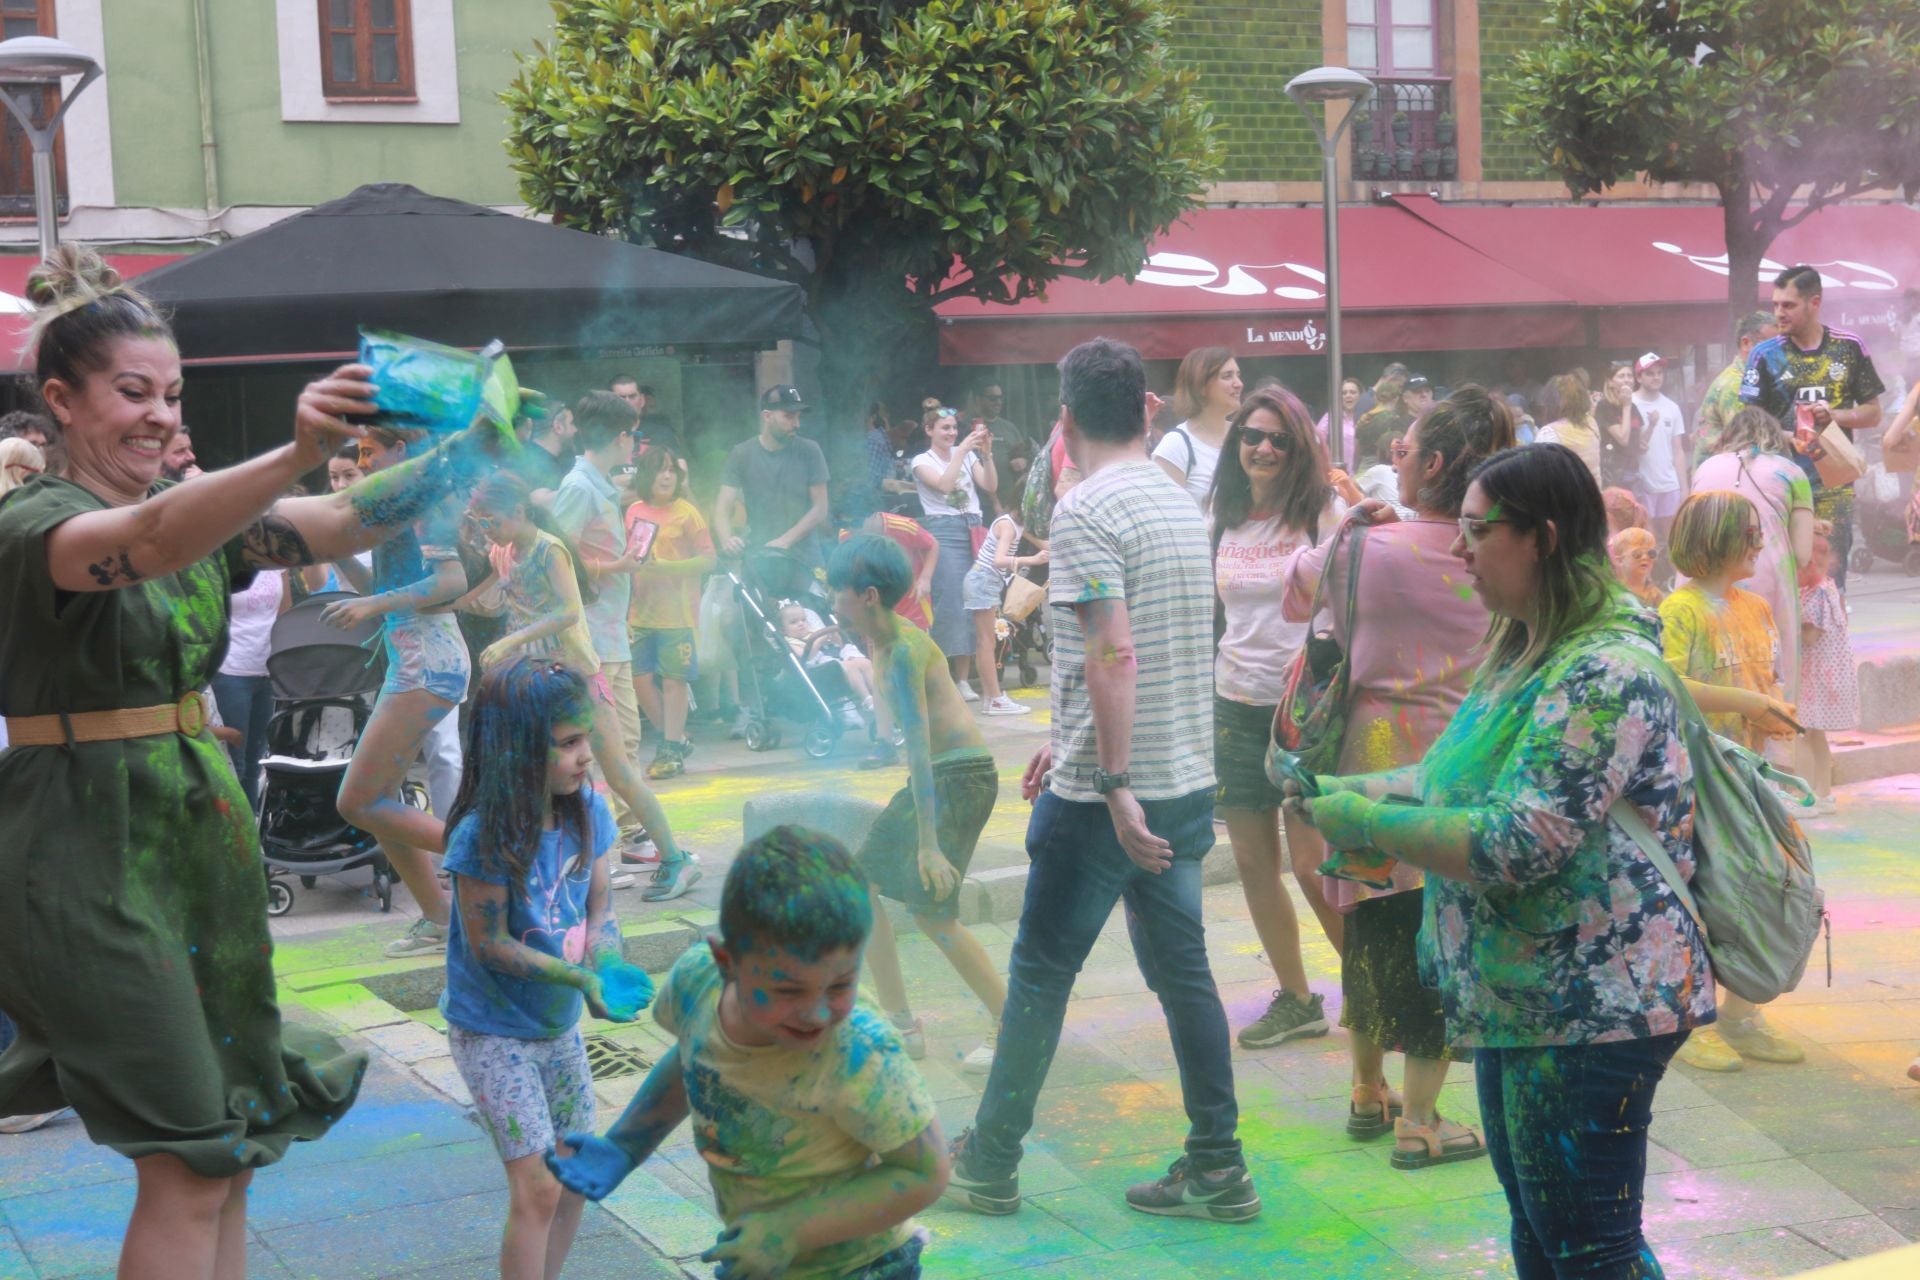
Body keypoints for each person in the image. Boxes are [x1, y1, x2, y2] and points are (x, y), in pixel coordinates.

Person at [0, 244, 509, 1277]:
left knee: (230, 1142)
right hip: (89, 850)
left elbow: (337, 515)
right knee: (188, 1159)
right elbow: (145, 538)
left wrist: (471, 441)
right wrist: (287, 452)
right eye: (133, 392)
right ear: (59, 399)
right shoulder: (32, 525)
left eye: (173, 393)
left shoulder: (200, 512)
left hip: (197, 827)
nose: (161, 413)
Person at [1291, 443, 1713, 1280]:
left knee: (1589, 1247)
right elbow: (1460, 779)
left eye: (1480, 531)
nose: (1458, 547)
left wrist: (1370, 820)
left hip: (1597, 1010)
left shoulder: (1603, 670)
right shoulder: (1524, 646)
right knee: (1543, 1232)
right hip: (1525, 999)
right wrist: (1356, 789)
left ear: (1543, 539)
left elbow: (1524, 838)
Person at [946, 337, 1259, 1223]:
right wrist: (1074, 733)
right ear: (1150, 411)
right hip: (1184, 777)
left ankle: (991, 1160)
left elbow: (1114, 651)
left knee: (1042, 974)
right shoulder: (1174, 501)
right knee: (1184, 973)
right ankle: (1218, 1164)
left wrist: (1110, 778)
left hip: (1108, 800)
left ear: (1067, 421)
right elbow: (1153, 648)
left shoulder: (1086, 510)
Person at [545, 827, 949, 1280]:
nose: (816, 1013)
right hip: (761, 1254)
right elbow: (693, 1060)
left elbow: (926, 1173)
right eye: (788, 989)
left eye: (840, 985)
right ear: (725, 963)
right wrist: (626, 1143)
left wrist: (790, 1231)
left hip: (864, 1266)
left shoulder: (861, 1051)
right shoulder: (697, 983)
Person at [1281, 386, 1506, 1166]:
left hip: (1362, 761)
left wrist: (1351, 525)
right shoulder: (1498, 550)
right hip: (1457, 763)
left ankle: (1367, 1092)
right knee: (1439, 932)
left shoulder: (1363, 544)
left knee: (1371, 923)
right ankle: (1421, 1118)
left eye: (1404, 449)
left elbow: (1293, 597)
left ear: (1434, 463)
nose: (1395, 460)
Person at [440, 657, 653, 1280]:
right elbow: (490, 944)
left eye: (586, 737)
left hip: (556, 1026)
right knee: (536, 1189)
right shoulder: (483, 833)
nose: (586, 755)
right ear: (514, 748)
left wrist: (607, 962)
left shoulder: (586, 808)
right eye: (567, 743)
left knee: (573, 1177)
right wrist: (581, 979)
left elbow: (600, 905)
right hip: (492, 1032)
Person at [457, 470, 698, 902]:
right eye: (481, 523)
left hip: (575, 679)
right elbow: (482, 596)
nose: (487, 530)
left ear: (518, 510)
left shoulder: (550, 550)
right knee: (539, 775)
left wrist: (511, 640)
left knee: (620, 774)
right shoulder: (503, 551)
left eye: (490, 520)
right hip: (534, 681)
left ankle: (675, 858)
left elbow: (569, 612)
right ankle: (560, 866)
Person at [830, 535, 1011, 1075]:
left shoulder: (904, 650)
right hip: (939, 777)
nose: (830, 602)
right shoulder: (878, 641)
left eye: (835, 593)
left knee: (934, 913)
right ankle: (900, 1022)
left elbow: (921, 751)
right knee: (861, 887)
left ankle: (1013, 1025)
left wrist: (929, 846)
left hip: (958, 778)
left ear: (866, 595)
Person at [1209, 385, 1345, 1049]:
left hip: (1304, 713)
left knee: (1312, 865)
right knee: (1251, 860)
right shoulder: (1223, 516)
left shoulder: (1324, 514)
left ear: (1299, 449)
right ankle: (1297, 999)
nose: (1262, 448)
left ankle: (1377, 989)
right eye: (1250, 436)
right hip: (1233, 703)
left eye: (1277, 439)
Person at [1658, 490, 1805, 1076]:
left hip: (1745, 774)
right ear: (1715, 538)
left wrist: (1769, 711)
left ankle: (1744, 1013)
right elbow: (1668, 687)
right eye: (1749, 532)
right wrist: (1749, 699)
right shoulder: (1679, 610)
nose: (1760, 542)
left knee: (1766, 884)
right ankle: (1693, 1023)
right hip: (1690, 780)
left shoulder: (1756, 608)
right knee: (1696, 897)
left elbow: (1764, 681)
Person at [323, 425, 472, 953]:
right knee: (376, 799)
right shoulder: (391, 508)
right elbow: (382, 591)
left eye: (370, 452)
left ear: (402, 452)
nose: (362, 462)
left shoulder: (426, 502)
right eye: (358, 453)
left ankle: (496, 856)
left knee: (358, 800)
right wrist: (337, 555)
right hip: (411, 663)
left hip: (429, 663)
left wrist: (372, 606)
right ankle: (437, 916)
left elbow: (452, 584)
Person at [1741, 264, 1887, 592]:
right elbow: (1748, 425)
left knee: (1831, 577)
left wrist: (1836, 415)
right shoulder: (1764, 356)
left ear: (1815, 303)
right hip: (1779, 485)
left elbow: (1873, 414)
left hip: (1834, 483)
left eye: (1788, 305)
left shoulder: (1849, 348)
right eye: (1776, 304)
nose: (1779, 313)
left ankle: (1832, 638)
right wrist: (1788, 437)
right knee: (1782, 576)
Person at [551, 392, 650, 852]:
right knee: (604, 746)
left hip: (610, 633)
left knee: (625, 740)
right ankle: (606, 837)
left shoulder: (597, 485)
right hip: (589, 639)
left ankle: (629, 830)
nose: (634, 444)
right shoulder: (579, 487)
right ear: (620, 437)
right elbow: (557, 560)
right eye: (632, 434)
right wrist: (618, 566)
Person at [1690, 406, 1815, 705]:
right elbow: (1802, 553)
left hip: (1702, 581)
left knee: (1708, 668)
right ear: (1775, 436)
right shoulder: (1792, 472)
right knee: (1771, 678)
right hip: (1765, 577)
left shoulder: (1704, 469)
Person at [624, 445, 715, 782]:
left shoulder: (687, 512)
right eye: (660, 470)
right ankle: (673, 739)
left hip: (679, 613)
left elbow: (709, 559)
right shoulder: (633, 510)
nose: (666, 476)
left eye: (672, 471)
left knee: (675, 681)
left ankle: (670, 748)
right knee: (638, 679)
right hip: (640, 612)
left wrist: (668, 568)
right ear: (647, 475)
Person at [910, 405, 996, 699]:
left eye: (953, 428)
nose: (951, 433)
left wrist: (986, 454)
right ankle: (945, 677)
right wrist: (961, 451)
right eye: (944, 428)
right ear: (929, 430)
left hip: (973, 526)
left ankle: (963, 679)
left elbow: (991, 485)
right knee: (951, 601)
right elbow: (945, 485)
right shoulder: (921, 461)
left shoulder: (969, 456)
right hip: (944, 530)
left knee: (976, 600)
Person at [714, 384, 832, 572]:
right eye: (789, 416)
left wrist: (784, 541)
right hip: (760, 557)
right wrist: (727, 539)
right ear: (767, 416)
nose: (797, 424)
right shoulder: (741, 454)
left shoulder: (810, 450)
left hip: (806, 559)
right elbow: (722, 509)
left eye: (798, 417)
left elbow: (820, 508)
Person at [211, 564, 291, 812]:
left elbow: (285, 607)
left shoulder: (277, 558)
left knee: (255, 762)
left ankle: (251, 831)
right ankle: (236, 834)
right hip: (228, 670)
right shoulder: (222, 557)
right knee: (234, 763)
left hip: (265, 669)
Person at [1796, 520, 1857, 815]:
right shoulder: (1825, 588)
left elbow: (1810, 635)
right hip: (1822, 675)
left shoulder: (1817, 593)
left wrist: (1786, 623)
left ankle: (1807, 797)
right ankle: (1824, 793)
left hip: (1816, 676)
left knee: (1804, 735)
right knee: (1815, 736)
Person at [962, 505, 1042, 716]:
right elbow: (999, 560)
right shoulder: (1008, 525)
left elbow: (1042, 543)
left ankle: (992, 699)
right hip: (984, 581)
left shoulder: (1016, 523)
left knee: (986, 642)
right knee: (986, 643)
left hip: (984, 581)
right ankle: (995, 699)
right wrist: (1032, 560)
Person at [1152, 345, 1242, 506]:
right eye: (1227, 376)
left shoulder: (1245, 435)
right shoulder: (1175, 446)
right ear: (1201, 386)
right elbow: (1169, 518)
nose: (1239, 384)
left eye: (1238, 375)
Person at [1694, 311, 1777, 464]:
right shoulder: (1736, 385)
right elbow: (1747, 443)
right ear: (1746, 343)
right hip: (1721, 479)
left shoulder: (1751, 378)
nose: (1778, 352)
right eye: (1769, 345)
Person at [777, 601, 878, 723]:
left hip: (832, 660)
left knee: (865, 662)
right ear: (783, 630)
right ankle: (866, 699)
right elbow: (805, 657)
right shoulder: (791, 641)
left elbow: (839, 645)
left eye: (803, 620)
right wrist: (819, 641)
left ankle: (880, 695)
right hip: (816, 669)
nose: (801, 624)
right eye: (794, 622)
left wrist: (834, 636)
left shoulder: (813, 631)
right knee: (851, 667)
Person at [1629, 353, 1689, 545]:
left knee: (1675, 539)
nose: (1656, 377)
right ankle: (1651, 576)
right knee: (1647, 541)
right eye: (1650, 374)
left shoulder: (1672, 407)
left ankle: (1678, 575)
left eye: (1659, 373)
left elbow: (1678, 451)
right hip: (1641, 483)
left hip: (1668, 483)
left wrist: (1684, 488)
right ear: (1638, 377)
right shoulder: (1628, 405)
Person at [965, 381, 1033, 513]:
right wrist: (995, 503)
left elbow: (1022, 456)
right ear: (978, 400)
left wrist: (1023, 461)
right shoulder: (968, 428)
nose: (998, 402)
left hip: (1009, 503)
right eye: (992, 398)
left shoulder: (1009, 428)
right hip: (980, 505)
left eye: (1000, 398)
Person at [1533, 371, 1601, 485]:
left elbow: (1537, 473)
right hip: (1593, 496)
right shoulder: (1591, 423)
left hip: (1565, 500)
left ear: (1551, 402)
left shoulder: (1549, 432)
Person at [1596, 362, 1647, 495]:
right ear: (1610, 382)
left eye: (1630, 376)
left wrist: (1652, 425)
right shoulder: (1604, 406)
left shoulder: (1633, 407)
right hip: (1613, 475)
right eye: (1621, 376)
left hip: (1633, 472)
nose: (1627, 379)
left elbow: (1640, 443)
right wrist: (1626, 406)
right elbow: (1623, 439)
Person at [1354, 373, 1413, 468]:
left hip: (1362, 469)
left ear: (1376, 398)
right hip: (1383, 467)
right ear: (1396, 398)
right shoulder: (1394, 420)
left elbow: (1357, 450)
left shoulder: (1364, 418)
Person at [1608, 527, 1665, 609]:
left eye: (1651, 553)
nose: (1645, 557)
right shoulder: (1613, 592)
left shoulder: (1656, 595)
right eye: (1637, 554)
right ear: (1620, 560)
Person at [1316, 376, 1361, 466]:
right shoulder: (1331, 417)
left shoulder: (1367, 417)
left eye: (1352, 392)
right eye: (1344, 393)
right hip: (1338, 474)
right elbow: (1316, 442)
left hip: (1364, 473)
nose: (1348, 396)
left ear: (1360, 395)